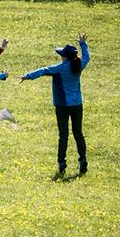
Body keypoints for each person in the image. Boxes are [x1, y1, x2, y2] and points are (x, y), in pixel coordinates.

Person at [20, 33, 91, 175]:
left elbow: (43, 71)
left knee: (63, 135)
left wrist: (27, 76)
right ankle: (83, 160)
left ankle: (62, 162)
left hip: (62, 106)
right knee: (78, 133)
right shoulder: (79, 65)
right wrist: (83, 43)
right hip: (77, 104)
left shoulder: (60, 68)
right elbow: (87, 58)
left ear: (65, 57)